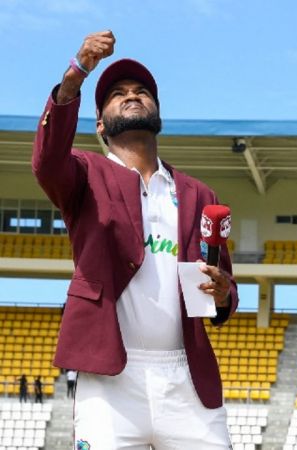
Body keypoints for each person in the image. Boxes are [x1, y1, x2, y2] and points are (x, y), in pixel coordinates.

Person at [32, 31, 239, 449]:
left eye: (142, 91)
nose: (132, 95)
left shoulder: (199, 194)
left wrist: (220, 293)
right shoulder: (83, 174)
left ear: (157, 112)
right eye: (118, 93)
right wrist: (76, 75)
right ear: (100, 123)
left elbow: (225, 289)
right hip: (111, 380)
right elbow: (47, 159)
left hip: (187, 375)